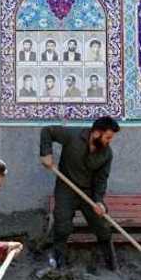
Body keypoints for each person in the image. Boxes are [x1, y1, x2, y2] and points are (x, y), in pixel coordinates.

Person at [40, 116, 120, 271]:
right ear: (96, 133)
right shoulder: (73, 135)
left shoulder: (106, 154)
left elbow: (101, 180)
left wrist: (98, 201)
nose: (109, 141)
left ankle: (111, 263)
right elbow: (47, 131)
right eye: (108, 137)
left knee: (102, 226)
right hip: (66, 189)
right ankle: (58, 261)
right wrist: (46, 153)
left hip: (88, 193)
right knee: (62, 226)